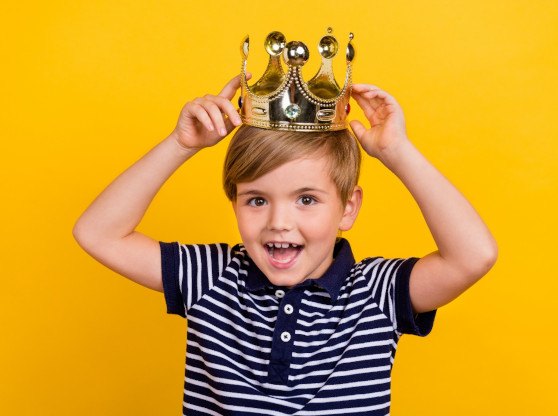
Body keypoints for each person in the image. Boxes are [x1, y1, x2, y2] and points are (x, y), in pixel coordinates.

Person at [73, 73, 497, 415]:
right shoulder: (211, 278)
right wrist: (180, 145)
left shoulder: (377, 292)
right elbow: (98, 233)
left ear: (348, 209)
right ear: (234, 202)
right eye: (257, 200)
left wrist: (398, 151)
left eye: (306, 199)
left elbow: (473, 256)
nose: (279, 223)